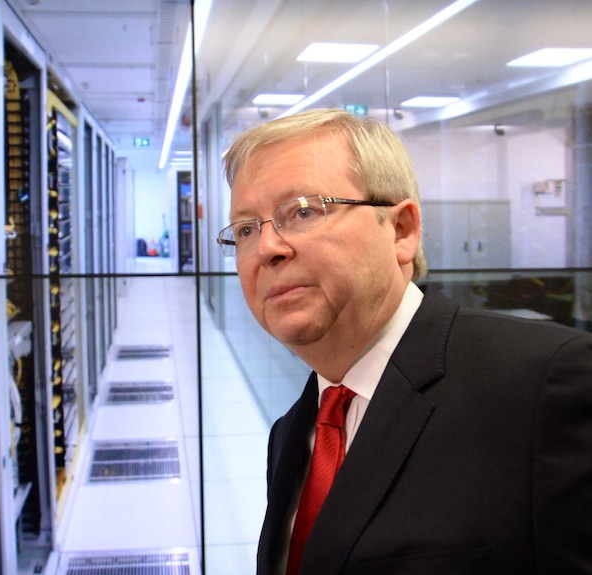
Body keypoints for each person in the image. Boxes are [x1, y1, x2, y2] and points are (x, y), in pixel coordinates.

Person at [218, 108, 592, 574]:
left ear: (401, 231)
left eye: (304, 211)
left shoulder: (545, 386)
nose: (267, 248)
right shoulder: (290, 433)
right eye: (247, 229)